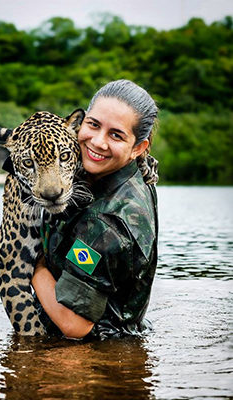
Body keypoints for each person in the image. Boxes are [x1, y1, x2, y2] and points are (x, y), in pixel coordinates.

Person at [32, 79, 159, 339]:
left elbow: (74, 325)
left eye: (116, 135)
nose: (97, 142)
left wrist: (32, 265)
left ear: (138, 148)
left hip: (96, 353)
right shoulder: (126, 171)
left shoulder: (105, 224)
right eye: (93, 124)